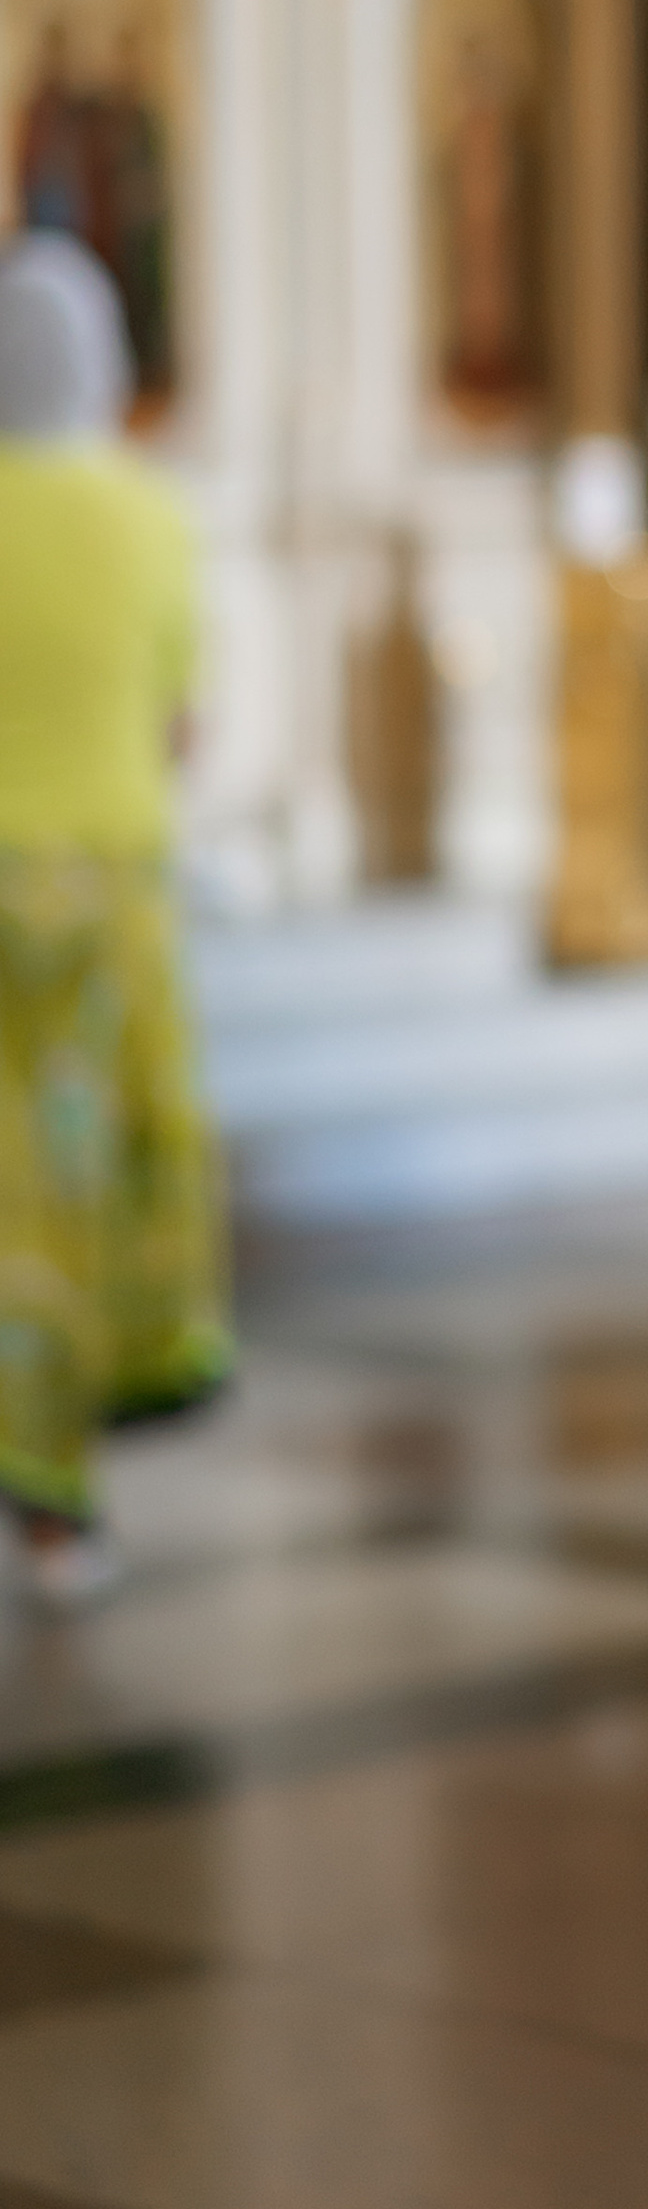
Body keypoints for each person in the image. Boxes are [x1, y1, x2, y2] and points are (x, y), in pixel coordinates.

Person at [0, 233, 231, 1606]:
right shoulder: (151, 516)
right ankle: (57, 1505)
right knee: (75, 1199)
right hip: (110, 901)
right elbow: (180, 728)